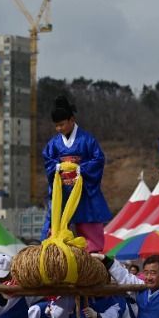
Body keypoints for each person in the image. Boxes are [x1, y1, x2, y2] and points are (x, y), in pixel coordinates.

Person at [40, 95, 111, 253]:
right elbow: (48, 160)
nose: (59, 129)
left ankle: (92, 252)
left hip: (84, 190)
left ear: (72, 120)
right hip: (63, 192)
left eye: (62, 124)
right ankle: (56, 250)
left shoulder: (87, 140)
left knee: (88, 222)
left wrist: (79, 169)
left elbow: (98, 159)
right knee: (56, 221)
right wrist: (58, 167)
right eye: (56, 126)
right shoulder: (53, 144)